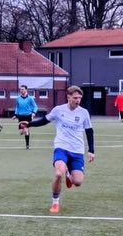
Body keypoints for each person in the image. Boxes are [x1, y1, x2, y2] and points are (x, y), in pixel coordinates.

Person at [19, 85, 95, 213]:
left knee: (78, 182)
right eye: (75, 98)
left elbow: (89, 131)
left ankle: (69, 174)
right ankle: (55, 203)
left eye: (79, 98)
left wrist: (91, 150)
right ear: (68, 97)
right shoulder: (58, 110)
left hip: (77, 150)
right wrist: (30, 124)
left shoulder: (84, 112)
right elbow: (44, 120)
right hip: (61, 147)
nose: (78, 100)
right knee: (59, 174)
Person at [15, 85, 39, 149]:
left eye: (22, 89)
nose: (21, 90)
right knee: (21, 132)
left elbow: (35, 106)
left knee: (26, 130)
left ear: (26, 90)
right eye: (20, 89)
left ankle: (27, 145)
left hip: (28, 116)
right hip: (21, 116)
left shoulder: (30, 98)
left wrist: (34, 113)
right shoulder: (18, 98)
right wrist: (15, 115)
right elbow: (17, 107)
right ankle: (23, 130)